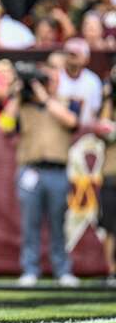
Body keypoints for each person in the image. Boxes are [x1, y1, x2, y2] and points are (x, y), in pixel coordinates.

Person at [0, 62, 80, 287]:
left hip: (57, 170)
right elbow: (5, 126)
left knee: (58, 223)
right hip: (30, 169)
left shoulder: (65, 102)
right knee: (30, 223)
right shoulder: (23, 106)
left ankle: (62, 270)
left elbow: (72, 122)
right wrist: (17, 95)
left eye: (50, 80)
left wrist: (44, 98)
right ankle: (30, 269)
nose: (47, 84)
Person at [96, 64, 116, 286]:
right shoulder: (109, 105)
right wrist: (110, 97)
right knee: (110, 225)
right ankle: (112, 270)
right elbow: (103, 128)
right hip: (111, 172)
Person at [57, 37, 103, 124]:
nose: (73, 57)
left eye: (77, 54)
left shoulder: (93, 80)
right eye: (70, 54)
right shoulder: (55, 77)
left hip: (85, 129)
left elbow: (94, 111)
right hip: (58, 128)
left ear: (87, 58)